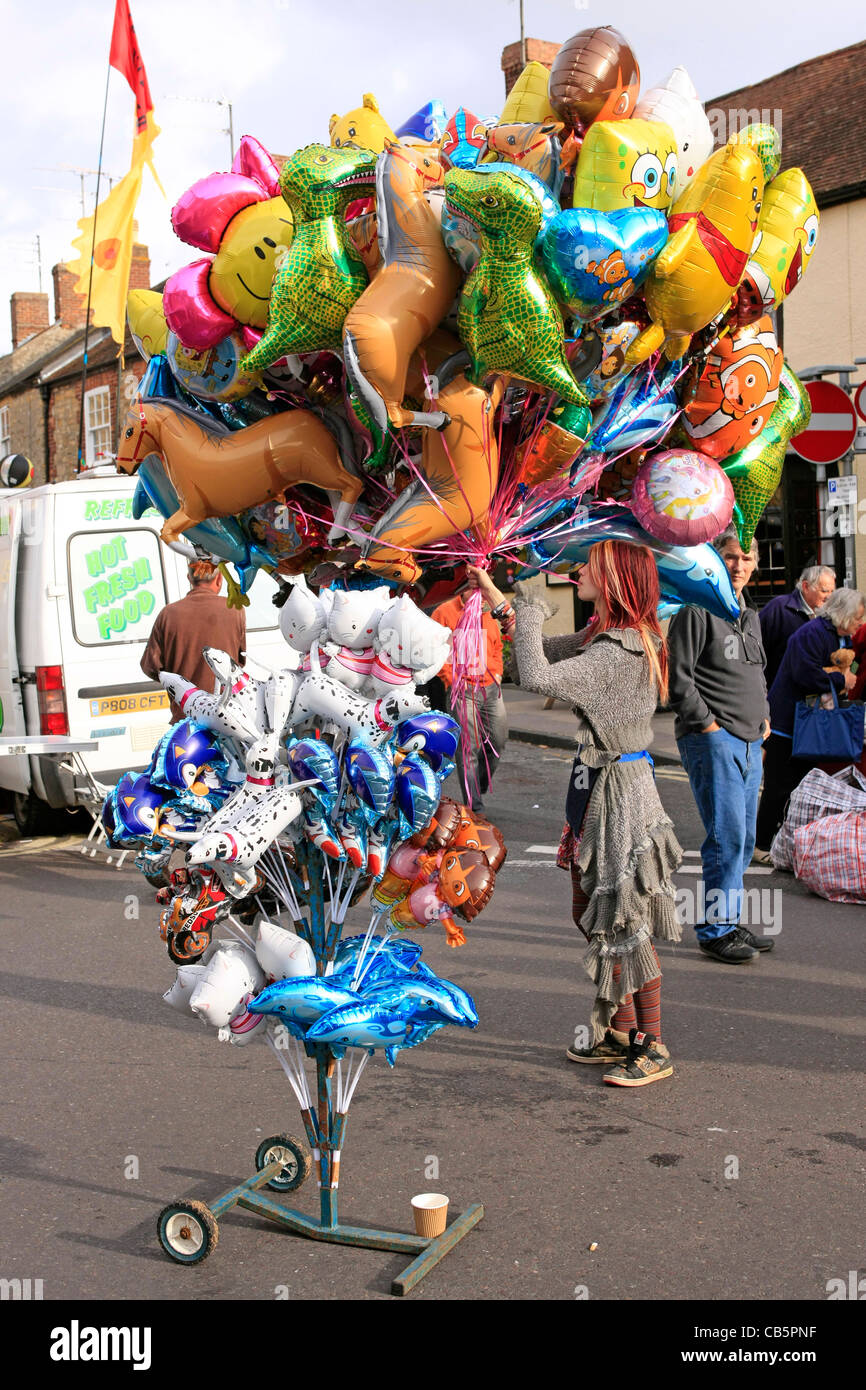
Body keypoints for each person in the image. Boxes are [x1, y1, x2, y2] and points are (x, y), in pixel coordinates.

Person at [467, 545, 682, 1089]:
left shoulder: (620, 651)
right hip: (593, 787)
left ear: (613, 579)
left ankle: (652, 1045)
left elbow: (537, 677)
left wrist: (533, 606)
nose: (579, 571)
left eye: (590, 566)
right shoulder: (601, 639)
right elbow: (527, 658)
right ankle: (617, 1032)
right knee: (590, 912)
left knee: (625, 921)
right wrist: (501, 603)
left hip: (621, 797)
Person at [667, 529, 771, 964]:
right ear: (714, 561)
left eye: (746, 559)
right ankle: (714, 929)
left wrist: (764, 720)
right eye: (730, 558)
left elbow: (755, 672)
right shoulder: (696, 609)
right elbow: (679, 680)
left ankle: (726, 917)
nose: (740, 566)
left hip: (750, 740)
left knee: (744, 839)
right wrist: (708, 726)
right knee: (726, 837)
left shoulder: (750, 615)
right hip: (714, 740)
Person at [754, 586, 865, 853]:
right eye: (856, 618)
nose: (859, 624)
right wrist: (842, 679)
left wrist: (848, 675)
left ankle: (784, 842)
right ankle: (761, 844)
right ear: (841, 614)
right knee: (778, 786)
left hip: (811, 723)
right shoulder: (812, 633)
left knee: (801, 787)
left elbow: (849, 666)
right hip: (788, 723)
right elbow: (805, 675)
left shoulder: (841, 637)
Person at [431, 580, 513, 812]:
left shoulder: (488, 611)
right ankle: (474, 807)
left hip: (490, 687)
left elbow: (497, 646)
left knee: (497, 740)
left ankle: (478, 784)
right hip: (462, 690)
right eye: (472, 586)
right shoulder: (444, 612)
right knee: (468, 749)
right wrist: (450, 678)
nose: (478, 592)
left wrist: (497, 672)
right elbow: (433, 650)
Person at [141, 560, 247, 721]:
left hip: (186, 716)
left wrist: (178, 684)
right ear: (219, 579)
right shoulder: (234, 609)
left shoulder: (168, 614)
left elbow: (150, 666)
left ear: (189, 579)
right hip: (226, 716)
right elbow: (239, 662)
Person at [759, 565, 836, 689]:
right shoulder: (778, 608)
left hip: (818, 694)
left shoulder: (831, 616)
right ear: (806, 587)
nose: (829, 597)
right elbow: (756, 649)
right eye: (824, 591)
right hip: (781, 694)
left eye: (832, 591)